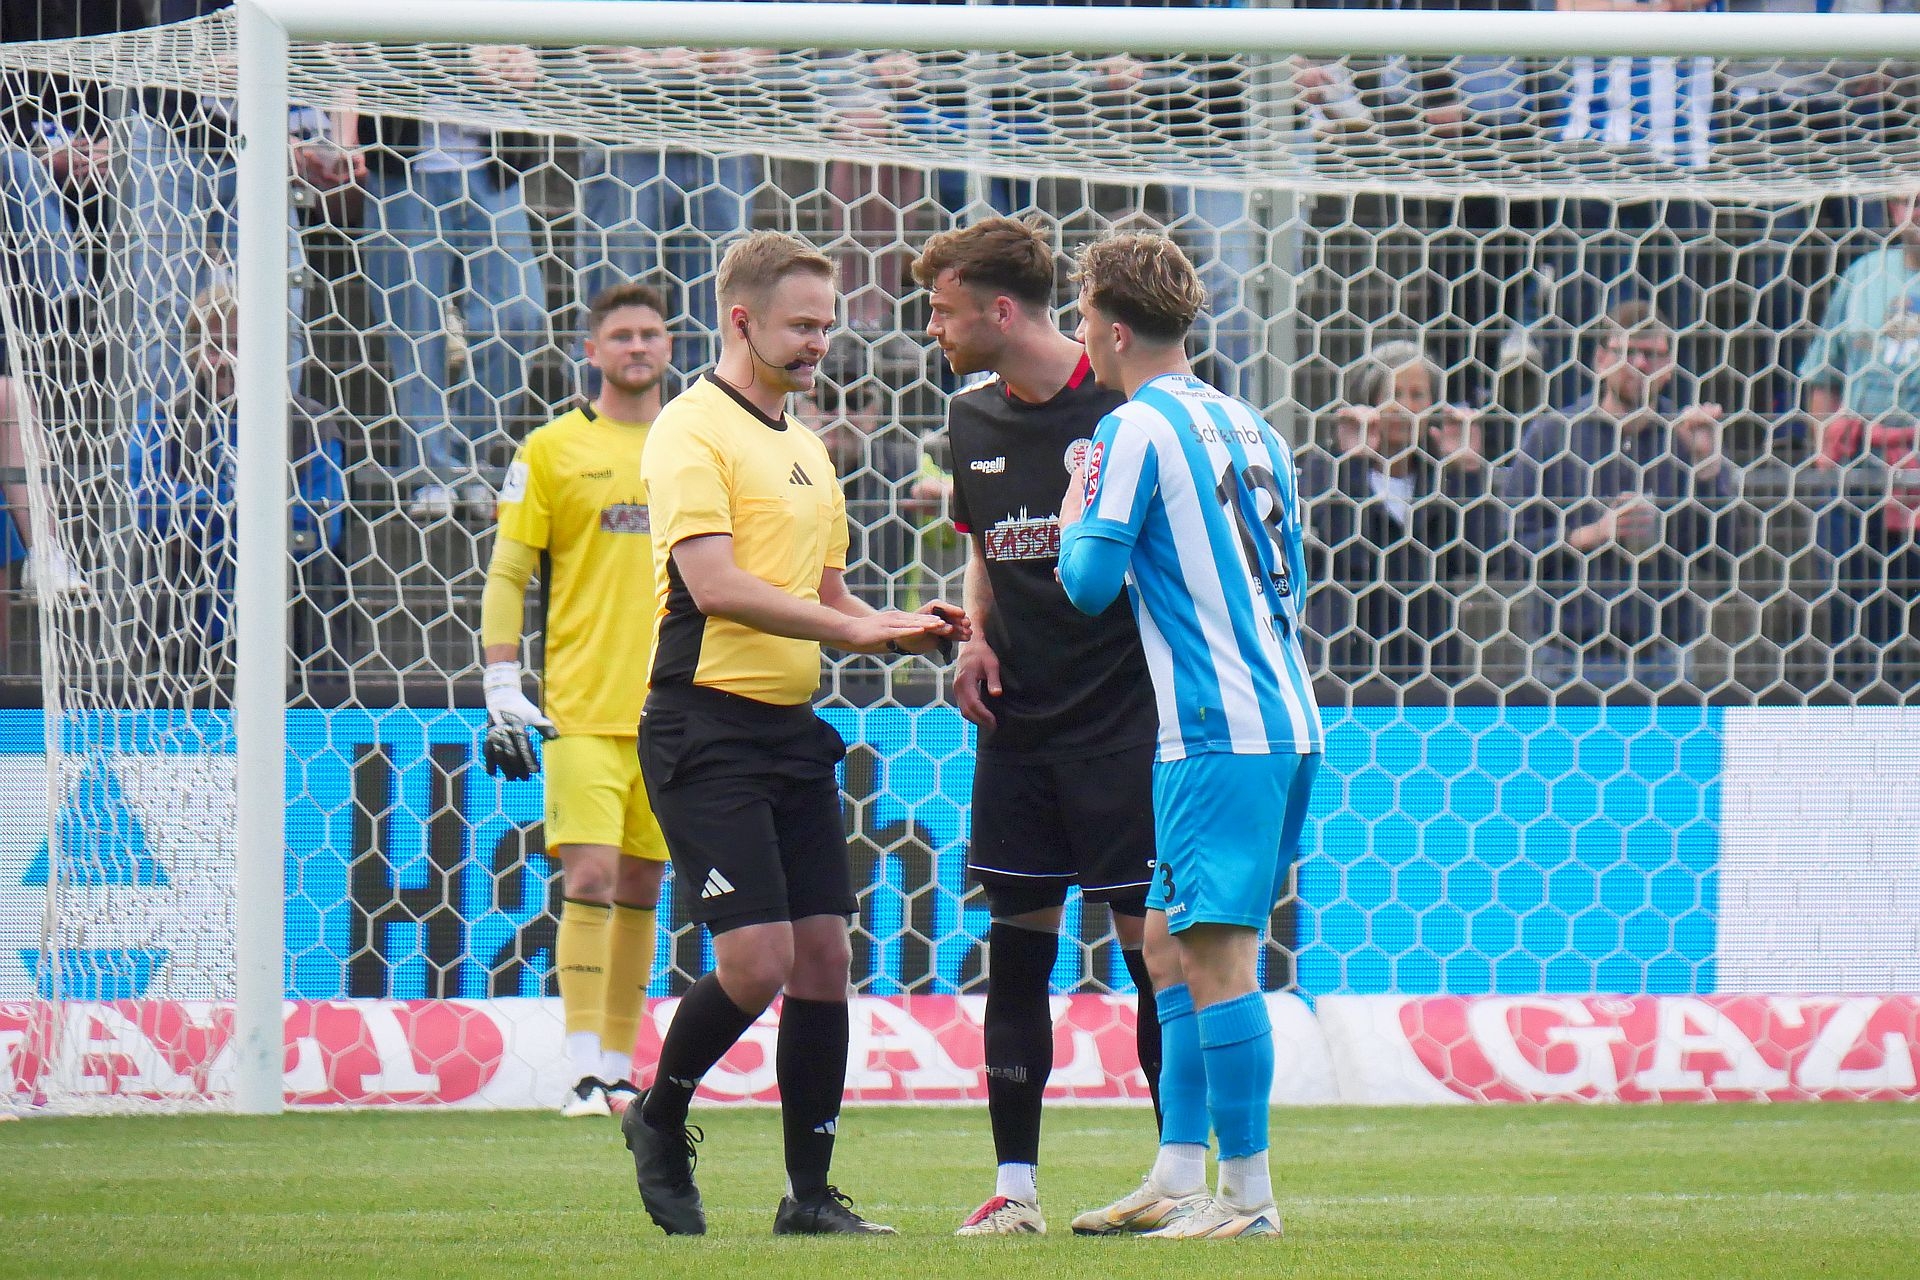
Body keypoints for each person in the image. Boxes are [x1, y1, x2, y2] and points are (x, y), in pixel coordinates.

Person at [621, 231, 967, 1237]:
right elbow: (714, 585)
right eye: (803, 325)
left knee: (823, 958)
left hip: (789, 728)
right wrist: (851, 628)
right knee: (757, 961)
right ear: (743, 319)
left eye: (826, 323)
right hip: (703, 723)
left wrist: (898, 625)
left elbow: (827, 596)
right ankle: (658, 1114)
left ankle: (809, 1197)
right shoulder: (690, 428)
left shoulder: (808, 447)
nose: (821, 342)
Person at [1057, 232, 1322, 1240]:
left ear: (1116, 328)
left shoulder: (1132, 428)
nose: (1080, 333)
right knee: (1168, 945)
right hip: (1282, 713)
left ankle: (1247, 1196)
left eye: (1084, 314)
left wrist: (1077, 502)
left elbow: (1087, 586)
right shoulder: (1249, 423)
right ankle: (1176, 1173)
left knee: (1216, 958)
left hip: (1218, 728)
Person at [906, 216, 1163, 1237]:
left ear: (1001, 311)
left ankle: (1179, 1171)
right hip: (1016, 728)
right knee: (1016, 957)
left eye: (943, 309)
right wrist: (973, 635)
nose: (933, 327)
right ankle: (1015, 1189)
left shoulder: (1126, 407)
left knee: (1153, 958)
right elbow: (983, 547)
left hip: (1124, 723)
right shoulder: (968, 419)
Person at [478, 282, 676, 1118]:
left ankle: (621, 1069)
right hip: (581, 707)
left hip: (672, 711)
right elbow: (509, 571)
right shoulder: (553, 449)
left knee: (643, 885)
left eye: (651, 333)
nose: (637, 347)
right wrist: (501, 681)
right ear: (591, 352)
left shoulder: (691, 444)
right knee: (590, 875)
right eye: (621, 335)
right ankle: (584, 1067)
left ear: (670, 347)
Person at [1501, 301, 1743, 692]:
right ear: (1600, 360)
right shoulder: (1552, 435)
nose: (1640, 364)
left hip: (1663, 659)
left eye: (1653, 354)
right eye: (1627, 351)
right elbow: (1511, 551)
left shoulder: (1685, 437)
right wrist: (1591, 534)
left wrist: (1707, 471)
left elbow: (1725, 558)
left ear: (1670, 366)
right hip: (1566, 659)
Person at [127, 283, 349, 681]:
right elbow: (151, 511)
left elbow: (319, 526)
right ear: (193, 353)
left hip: (293, 631)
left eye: (240, 345)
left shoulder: (311, 424)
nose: (227, 360)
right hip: (185, 628)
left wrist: (205, 512)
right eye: (213, 347)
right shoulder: (161, 419)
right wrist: (257, 507)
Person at [1304, 340, 1503, 692]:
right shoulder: (1328, 468)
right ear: (1370, 400)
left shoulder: (1442, 478)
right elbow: (1347, 552)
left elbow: (1479, 556)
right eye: (1394, 394)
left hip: (1430, 663)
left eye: (1417, 395)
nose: (1405, 407)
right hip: (1349, 663)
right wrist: (1350, 462)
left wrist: (1470, 472)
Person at [1796, 188, 1920, 691]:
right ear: (1892, 208)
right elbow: (1822, 373)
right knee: (1852, 606)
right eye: (1909, 200)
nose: (1917, 210)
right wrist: (1823, 449)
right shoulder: (1863, 274)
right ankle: (1856, 714)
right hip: (1858, 466)